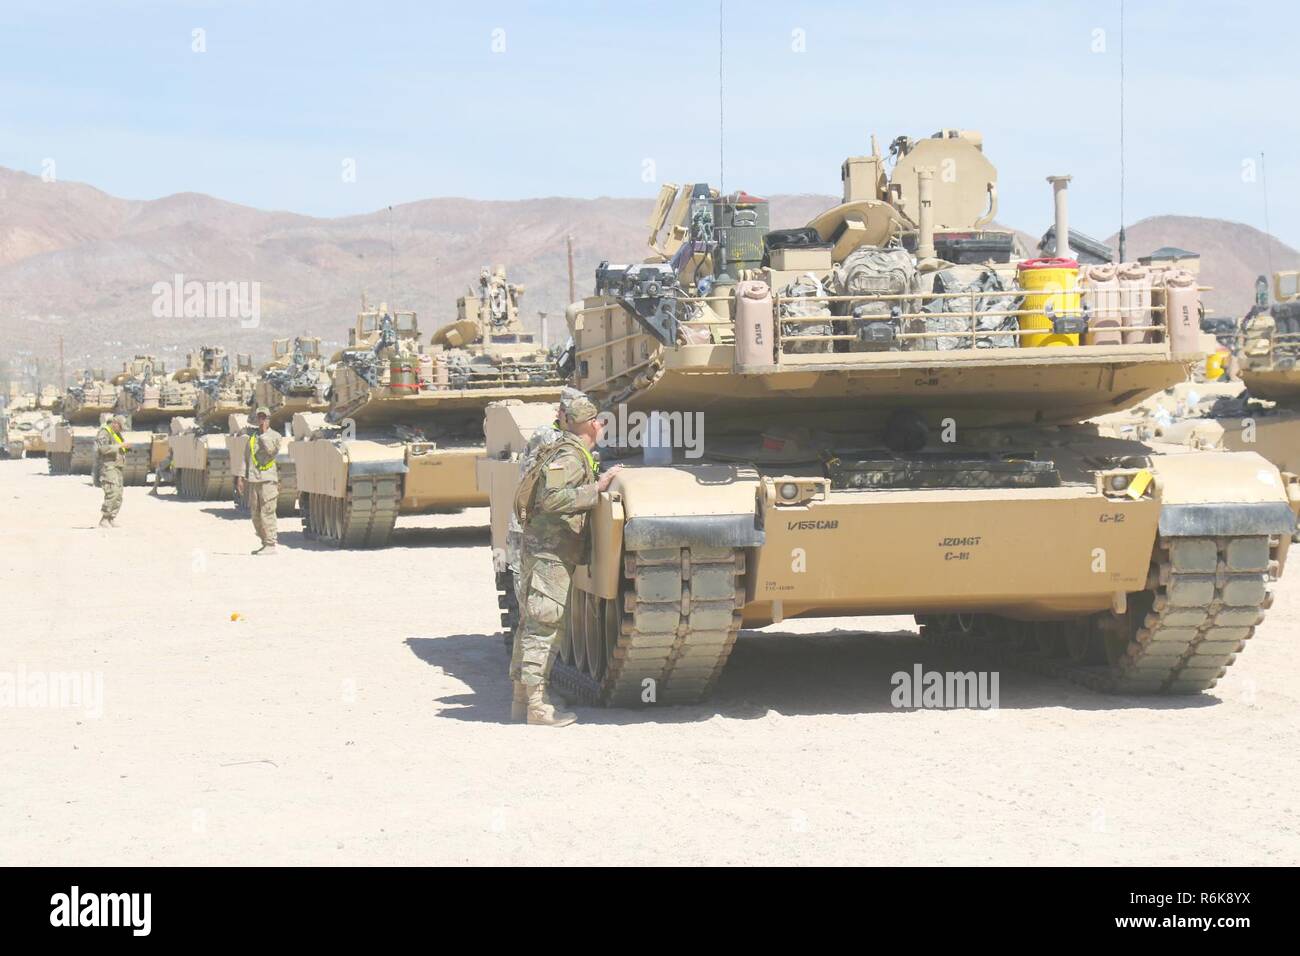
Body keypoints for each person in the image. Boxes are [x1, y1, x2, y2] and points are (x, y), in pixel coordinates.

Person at [509, 389, 622, 726]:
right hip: (550, 552)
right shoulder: (570, 456)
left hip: (549, 550)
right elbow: (551, 499)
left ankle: (522, 702)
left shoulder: (572, 452)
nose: (601, 425)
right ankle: (537, 707)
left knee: (533, 625)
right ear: (588, 424)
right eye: (598, 421)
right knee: (543, 627)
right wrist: (596, 490)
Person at [236, 406, 282, 555]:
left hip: (268, 480)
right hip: (254, 480)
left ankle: (271, 544)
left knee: (267, 513)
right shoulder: (252, 438)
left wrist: (263, 434)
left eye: (264, 417)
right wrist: (241, 477)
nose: (261, 420)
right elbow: (246, 458)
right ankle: (264, 542)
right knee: (255, 515)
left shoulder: (275, 436)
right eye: (259, 417)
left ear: (268, 419)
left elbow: (270, 451)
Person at [96, 414, 128, 527]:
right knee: (112, 492)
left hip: (117, 467)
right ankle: (104, 518)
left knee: (119, 494)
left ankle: (111, 517)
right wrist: (119, 446)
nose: (121, 430)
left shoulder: (116, 433)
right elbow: (102, 449)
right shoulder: (104, 432)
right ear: (115, 423)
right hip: (108, 467)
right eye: (120, 426)